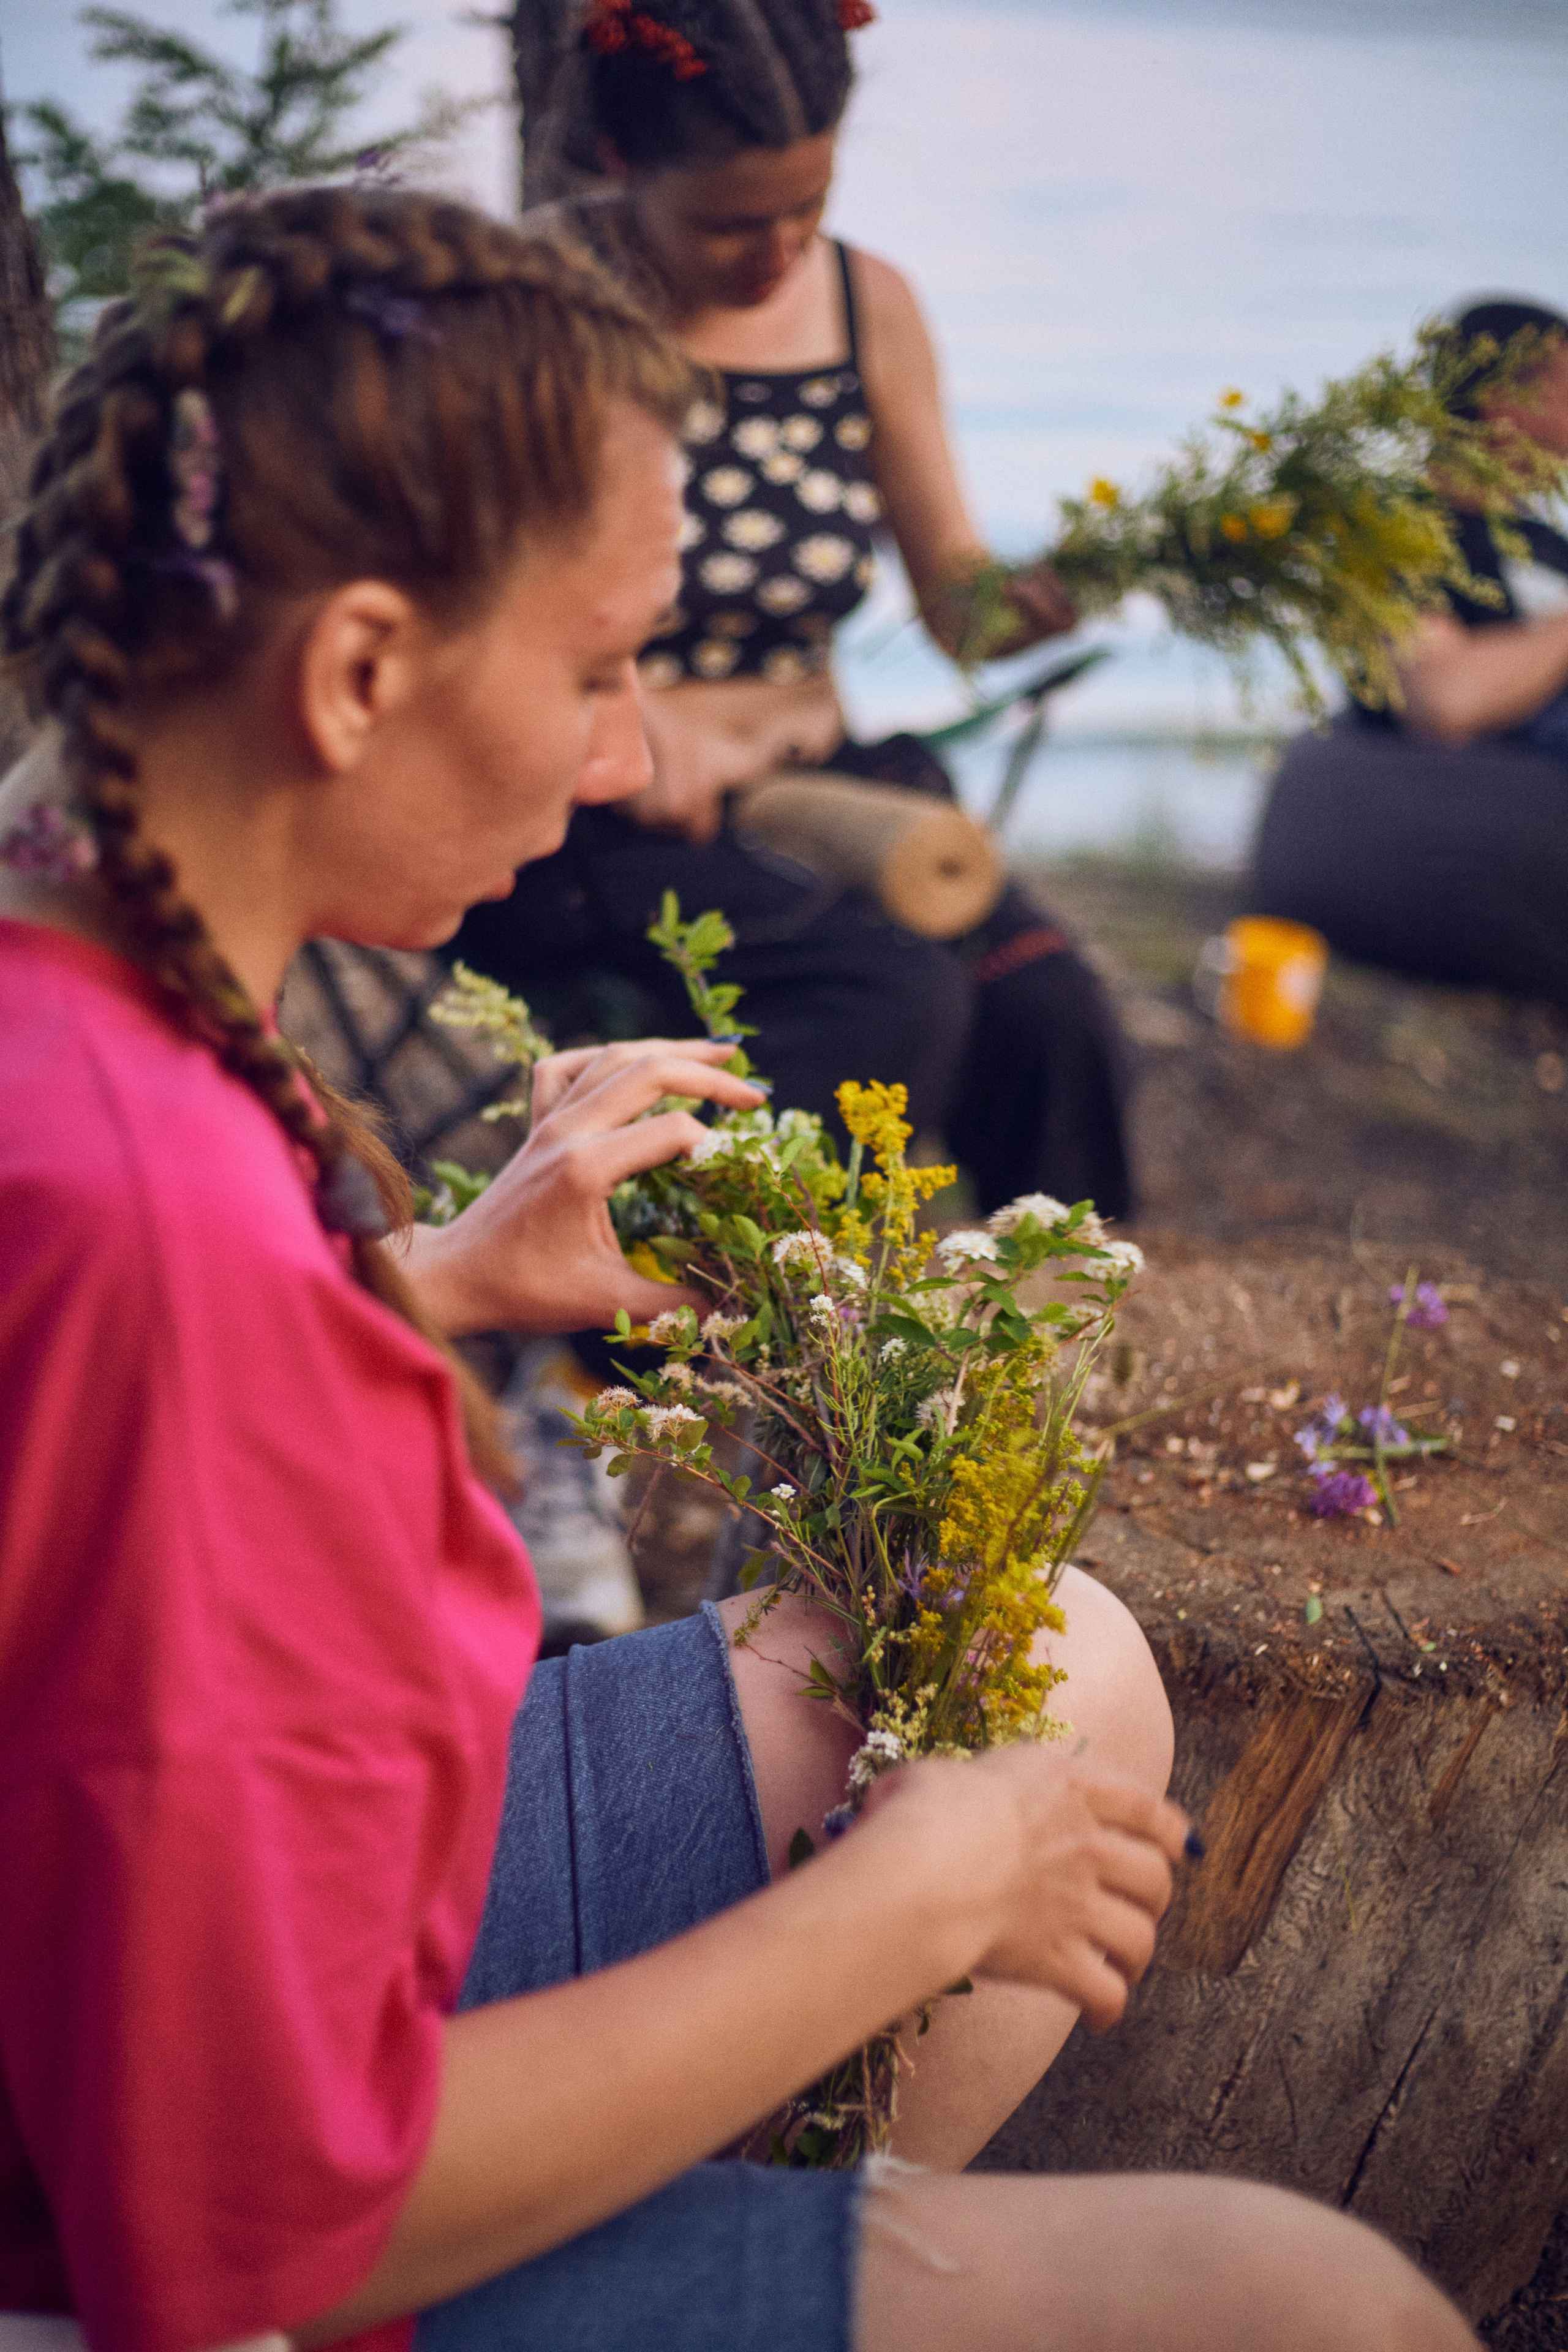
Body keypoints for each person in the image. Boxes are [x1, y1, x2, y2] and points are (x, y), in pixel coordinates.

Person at [0, 186, 1473, 2352]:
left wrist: (442, 1282)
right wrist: (901, 1910)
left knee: (1053, 1656)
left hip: (213, 1921)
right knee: (1307, 2306)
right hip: (179, 2206)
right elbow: (233, 2234)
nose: (624, 759)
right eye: (598, 670)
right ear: (360, 670)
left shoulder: (84, 976)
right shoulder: (158, 1231)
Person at [450, 0, 1133, 1230]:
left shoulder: (867, 303)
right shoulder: (532, 296)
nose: (774, 250)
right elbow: (472, 597)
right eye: (727, 222)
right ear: (620, 161)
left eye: (803, 207)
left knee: (1046, 1001)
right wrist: (634, 721)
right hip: (591, 811)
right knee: (886, 1001)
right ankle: (674, 1344)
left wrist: (1050, 595)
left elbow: (958, 614)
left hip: (819, 794)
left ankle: (1045, 1333)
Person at [1251, 297, 1568, 1006]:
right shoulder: (1394, 527)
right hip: (1466, 800)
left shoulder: (1551, 550)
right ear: (1501, 398)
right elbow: (1442, 699)